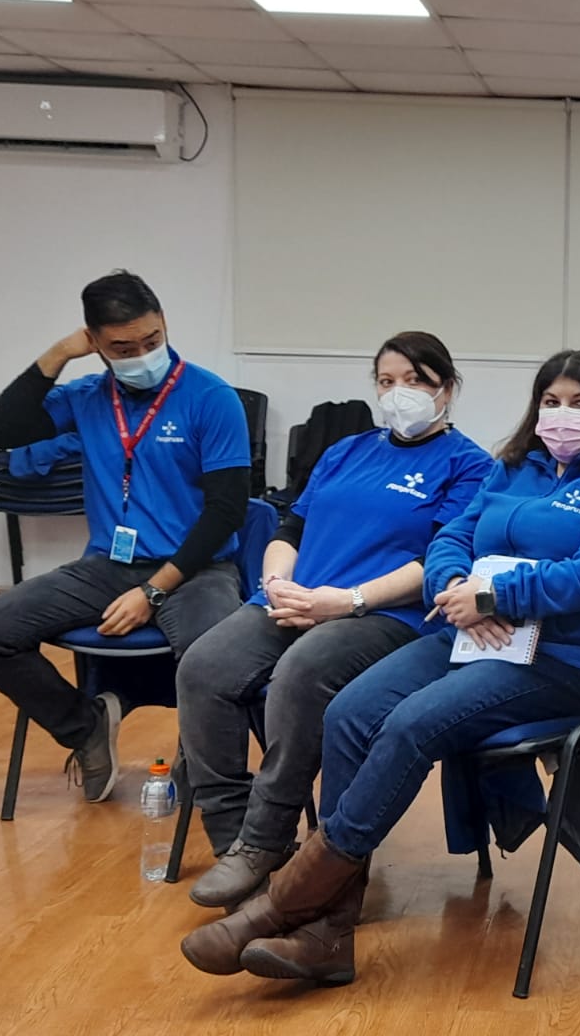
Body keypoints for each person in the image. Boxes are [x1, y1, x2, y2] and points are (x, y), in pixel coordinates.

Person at [179, 348, 580, 986]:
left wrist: (493, 597)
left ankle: (287, 906)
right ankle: (329, 932)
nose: (563, 415)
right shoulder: (515, 467)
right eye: (551, 401)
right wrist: (453, 586)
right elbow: (451, 539)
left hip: (573, 660)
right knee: (349, 712)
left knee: (411, 723)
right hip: (475, 635)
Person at [175, 332, 493, 908]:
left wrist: (347, 601)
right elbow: (289, 529)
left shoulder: (469, 466)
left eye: (415, 381)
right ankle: (231, 836)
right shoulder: (345, 451)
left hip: (387, 614)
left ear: (446, 389)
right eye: (387, 382)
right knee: (203, 667)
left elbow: (439, 559)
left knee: (303, 671)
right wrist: (277, 583)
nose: (399, 394)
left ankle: (265, 837)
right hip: (298, 599)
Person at [0, 270, 249, 803]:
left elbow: (226, 511)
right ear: (94, 343)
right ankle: (86, 727)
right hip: (107, 566)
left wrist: (153, 591)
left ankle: (205, 768)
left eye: (152, 340)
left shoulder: (211, 398)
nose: (142, 355)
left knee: (217, 657)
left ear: (164, 323)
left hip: (196, 570)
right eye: (122, 347)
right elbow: (2, 430)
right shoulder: (86, 397)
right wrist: (58, 354)